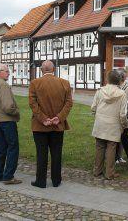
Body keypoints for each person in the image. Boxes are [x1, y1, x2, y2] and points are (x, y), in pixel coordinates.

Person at [29, 60, 73, 188]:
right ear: (53, 69)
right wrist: (59, 118)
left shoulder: (35, 83)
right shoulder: (64, 83)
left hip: (40, 126)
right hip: (57, 125)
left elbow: (33, 104)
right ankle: (56, 180)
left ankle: (41, 181)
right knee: (56, 153)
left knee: (41, 153)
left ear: (42, 70)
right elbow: (69, 103)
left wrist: (43, 119)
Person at [91, 70, 128, 180]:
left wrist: (97, 116)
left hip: (100, 122)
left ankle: (97, 170)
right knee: (111, 147)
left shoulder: (100, 91)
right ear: (119, 81)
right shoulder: (122, 94)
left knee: (99, 146)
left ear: (107, 79)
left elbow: (93, 107)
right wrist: (124, 125)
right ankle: (109, 172)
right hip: (114, 124)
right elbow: (123, 114)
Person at [0, 64, 21, 185]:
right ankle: (8, 176)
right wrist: (16, 111)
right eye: (7, 71)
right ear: (0, 72)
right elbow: (8, 106)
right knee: (13, 148)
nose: (9, 73)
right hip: (7, 121)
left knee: (1, 148)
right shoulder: (3, 84)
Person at [116, 68, 128, 169]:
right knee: (116, 138)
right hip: (115, 116)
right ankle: (117, 157)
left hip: (123, 117)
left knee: (124, 138)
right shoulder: (115, 87)